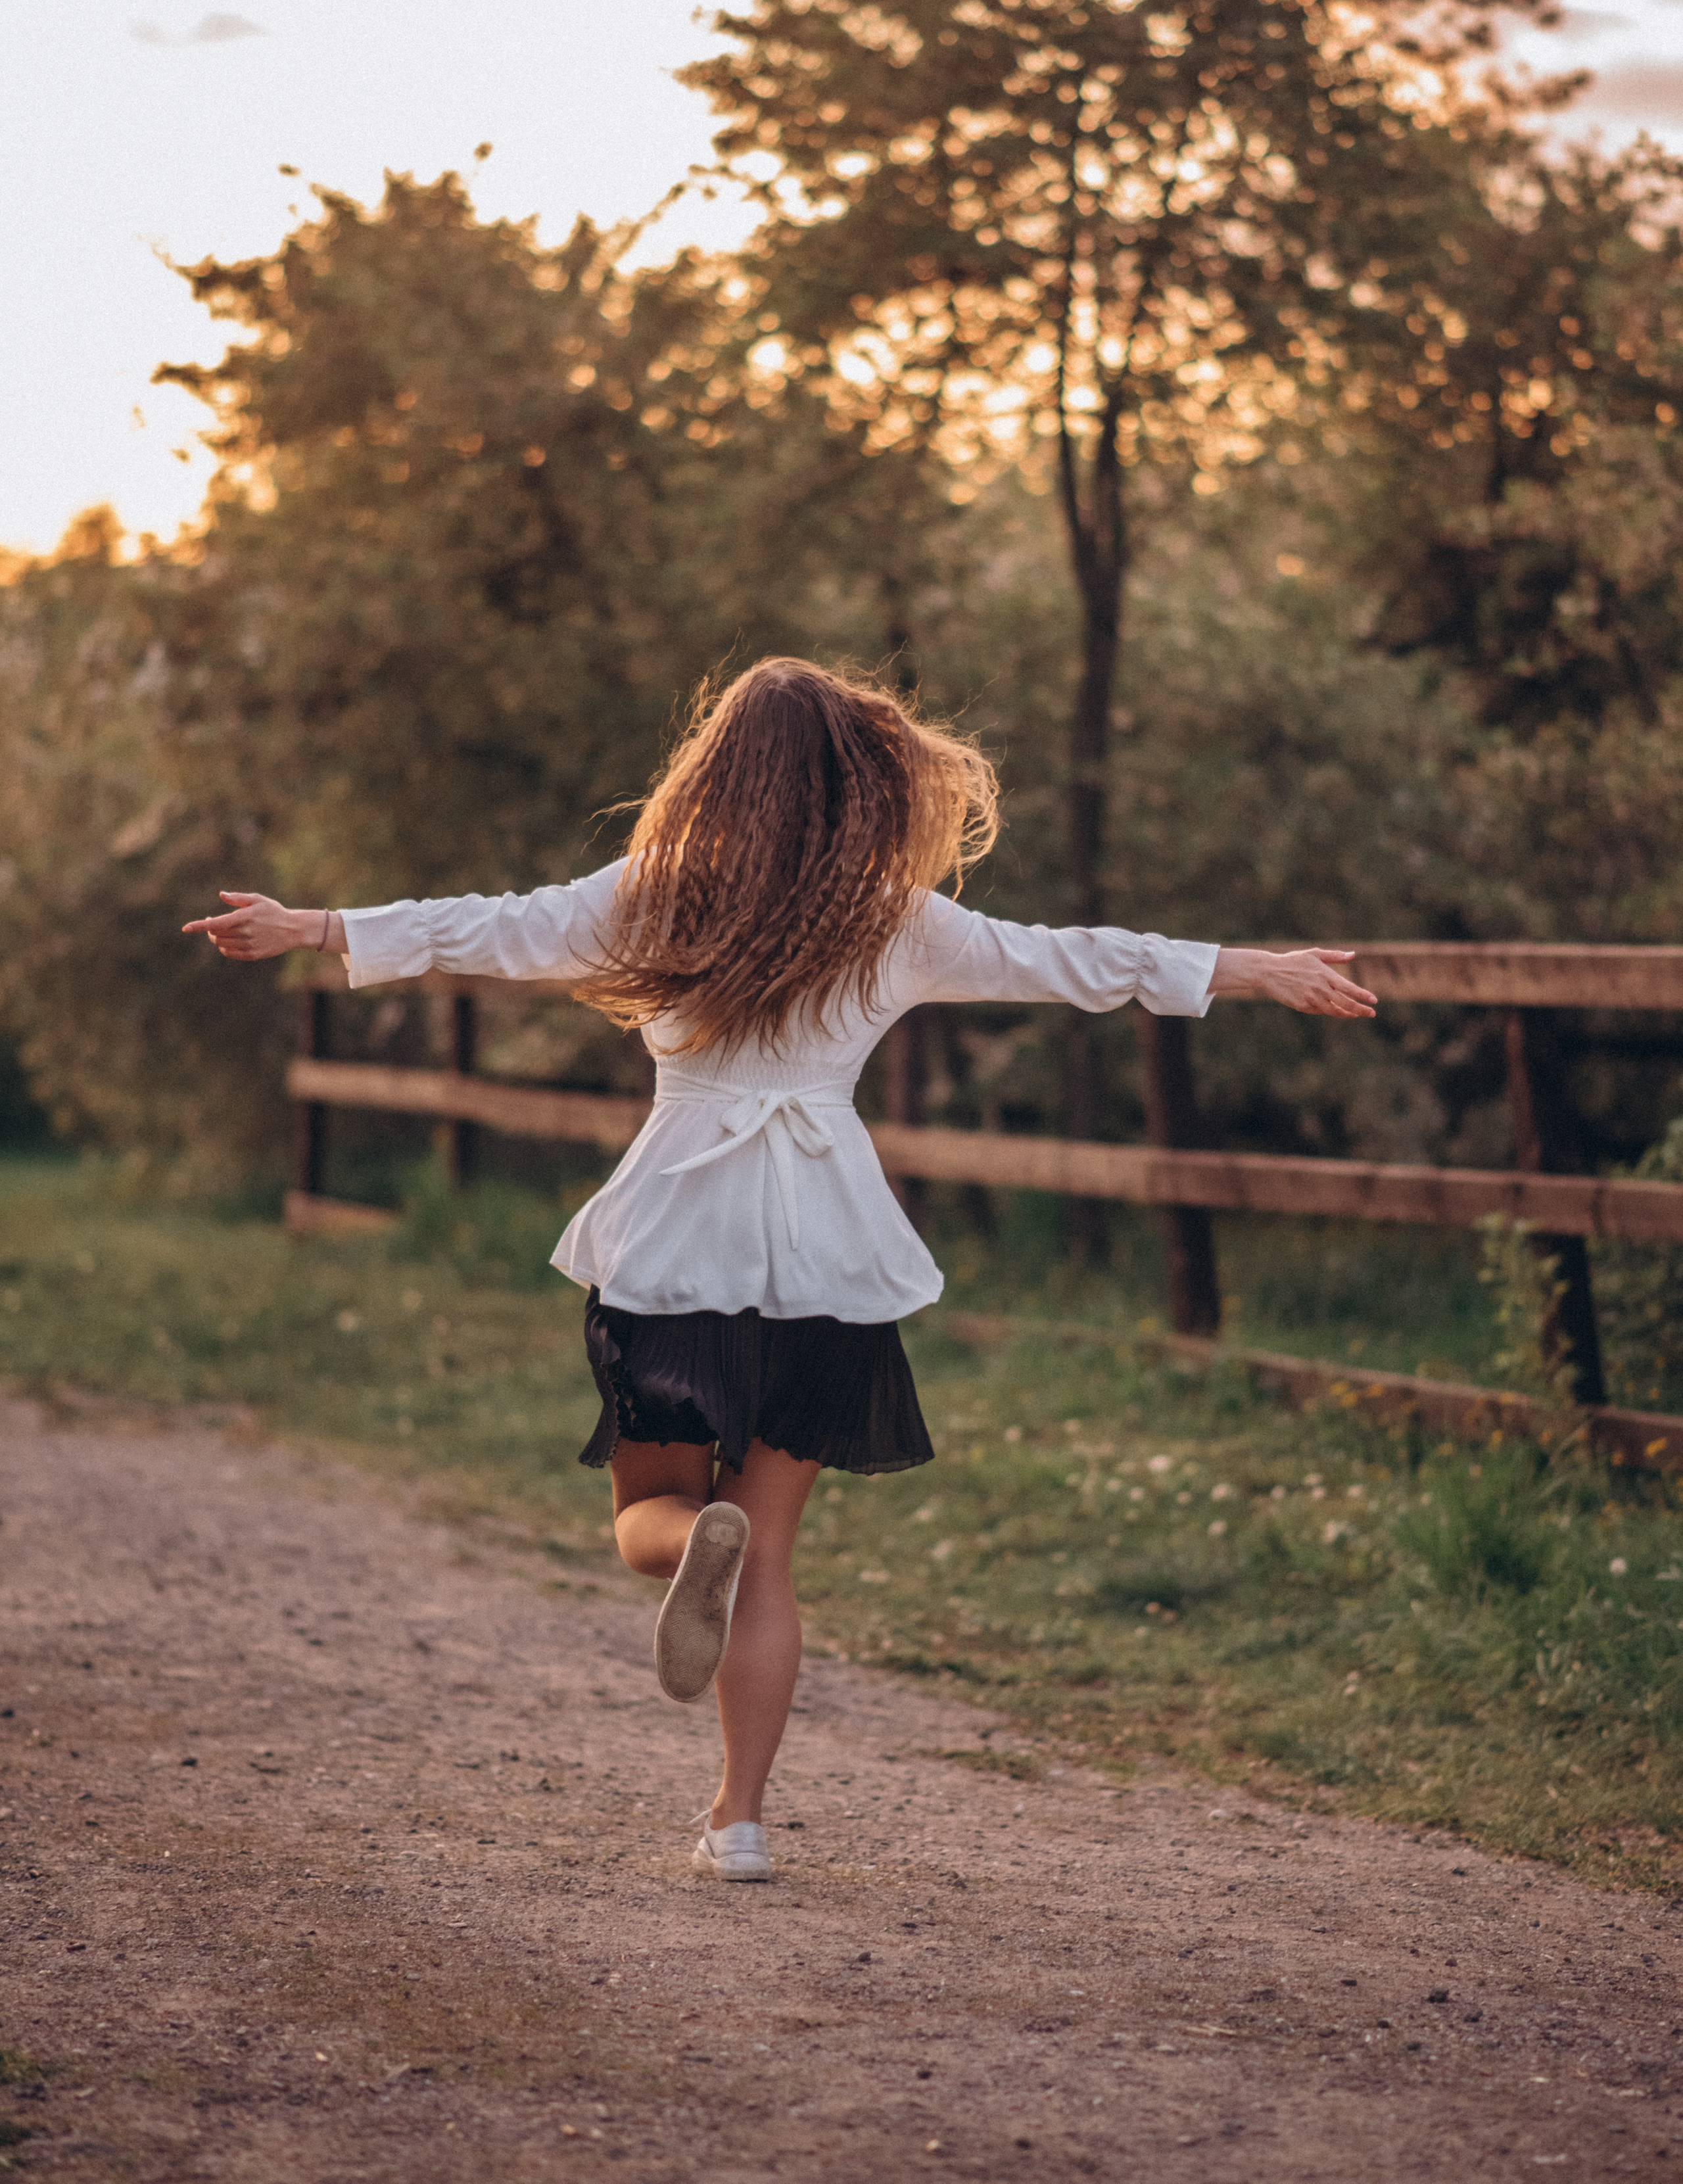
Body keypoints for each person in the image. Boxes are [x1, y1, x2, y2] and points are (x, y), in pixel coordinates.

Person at [183, 657, 1377, 1881]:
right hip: (825, 1255)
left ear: (717, 769)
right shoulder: (896, 918)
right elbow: (1072, 959)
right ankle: (740, 1821)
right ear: (859, 779)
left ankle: (690, 1538)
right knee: (769, 1555)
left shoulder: (654, 894)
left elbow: (488, 926)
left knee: (649, 1522)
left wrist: (312, 926)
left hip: (675, 1243)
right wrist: (1255, 966)